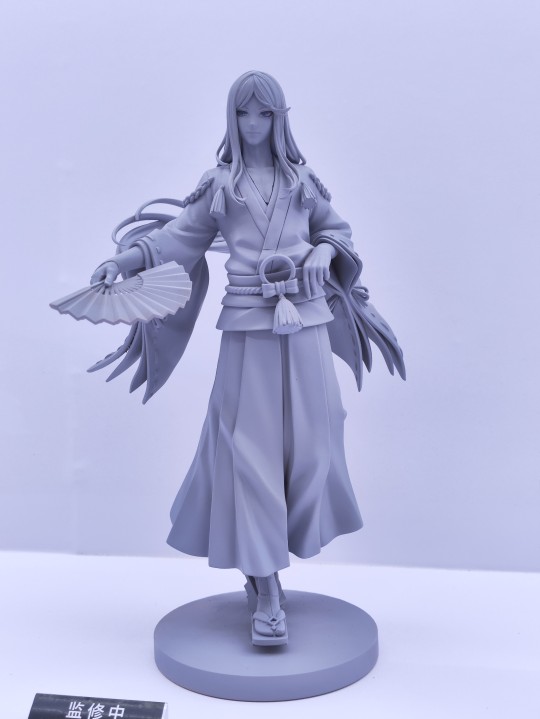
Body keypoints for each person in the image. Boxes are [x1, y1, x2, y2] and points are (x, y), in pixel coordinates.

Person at [90, 71, 405, 646]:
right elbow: (176, 240)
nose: (254, 124)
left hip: (306, 320)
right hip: (247, 326)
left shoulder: (302, 180)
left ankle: (281, 549)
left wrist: (325, 250)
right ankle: (266, 586)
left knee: (318, 439)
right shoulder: (220, 185)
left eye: (264, 114)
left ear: (280, 118)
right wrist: (124, 261)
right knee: (248, 452)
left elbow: (338, 231)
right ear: (231, 119)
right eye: (243, 113)